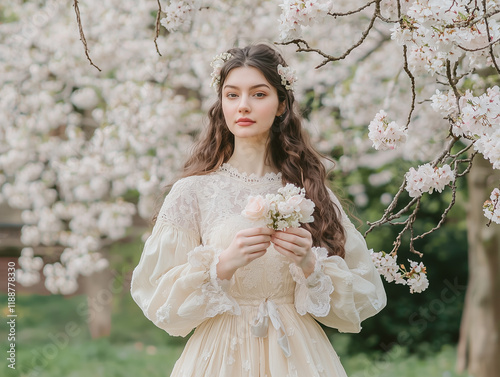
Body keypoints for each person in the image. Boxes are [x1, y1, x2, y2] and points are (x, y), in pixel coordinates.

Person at [130, 43, 387, 377]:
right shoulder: (192, 191)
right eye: (232, 95)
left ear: (281, 105)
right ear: (220, 103)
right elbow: (157, 296)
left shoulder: (309, 188)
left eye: (259, 94)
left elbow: (362, 295)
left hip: (298, 353)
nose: (244, 106)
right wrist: (222, 266)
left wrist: (309, 265)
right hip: (221, 354)